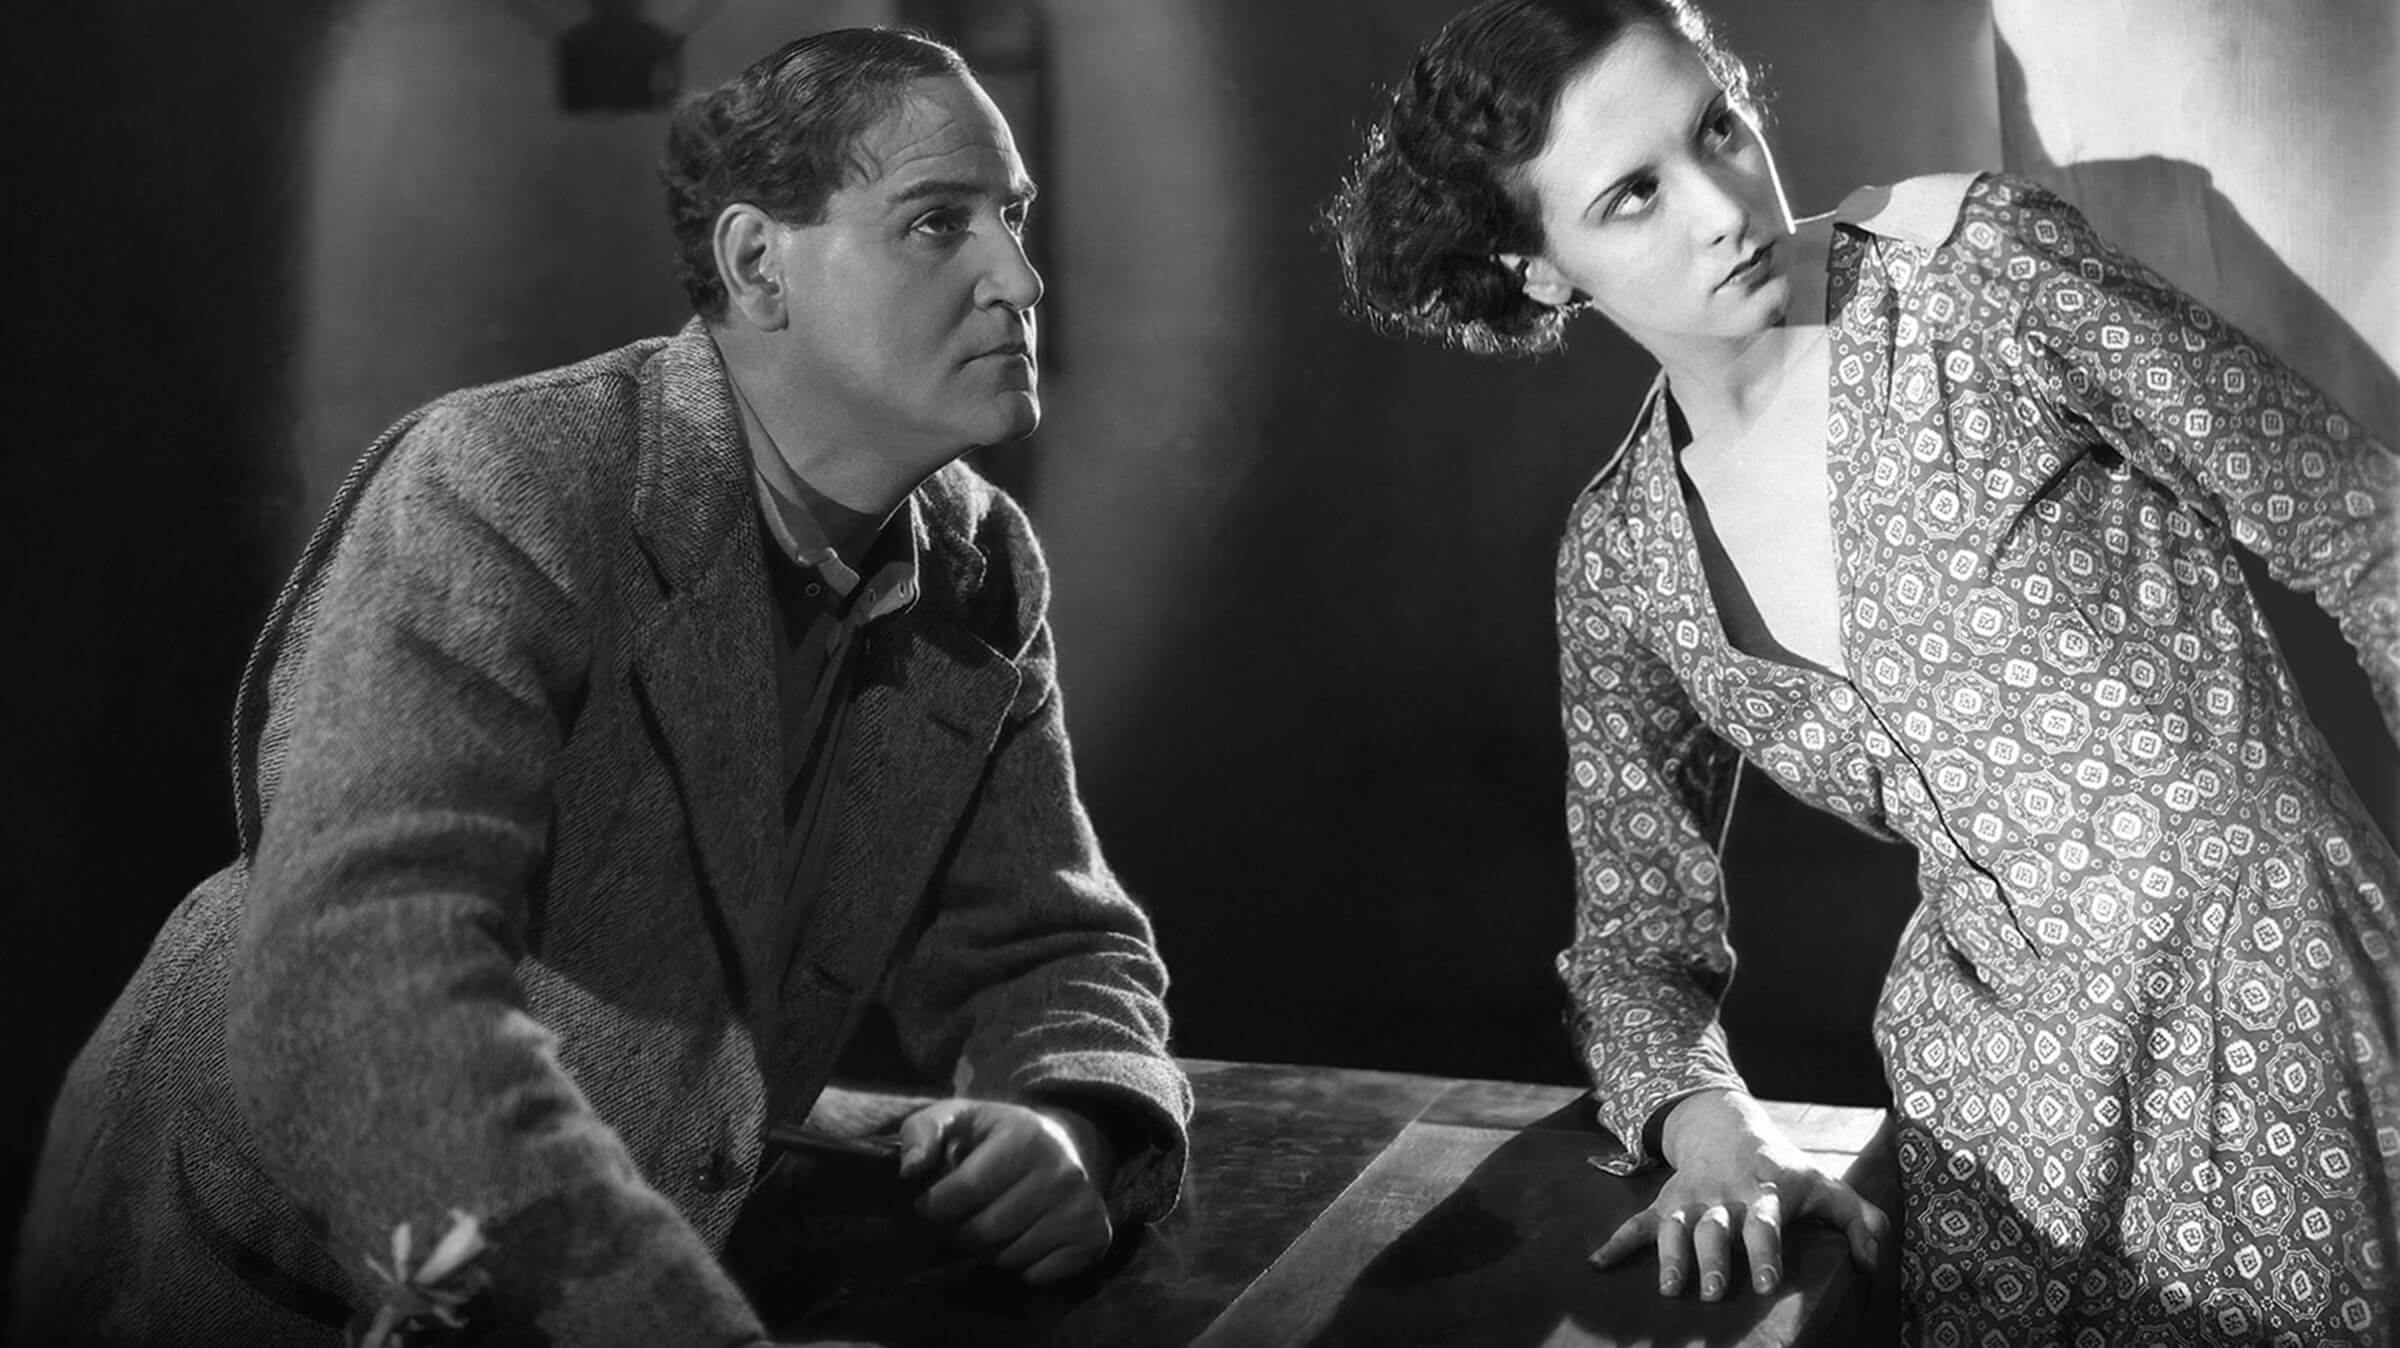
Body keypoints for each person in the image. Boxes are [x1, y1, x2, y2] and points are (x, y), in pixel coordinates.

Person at [11, 27, 1190, 1348]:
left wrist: (1070, 1118)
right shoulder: (508, 486)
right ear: (759, 264)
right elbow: (367, 999)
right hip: (242, 1282)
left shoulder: (977, 566)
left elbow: (1046, 940)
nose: (1020, 277)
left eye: (1013, 217)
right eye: (936, 222)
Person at [1325, 0, 2400, 1341]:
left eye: (1718, 128)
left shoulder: (1974, 275)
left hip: (2294, 1030)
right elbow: (1635, 951)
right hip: (2010, 1147)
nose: (1722, 207)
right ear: (1541, 270)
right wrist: (1710, 1125)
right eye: (1633, 195)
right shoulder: (1624, 561)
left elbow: (2365, 533)